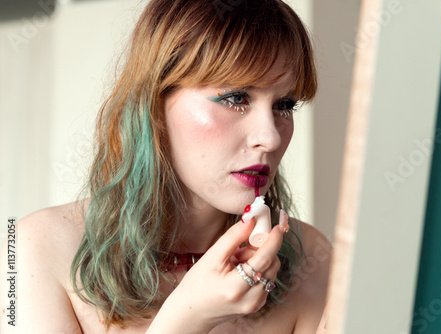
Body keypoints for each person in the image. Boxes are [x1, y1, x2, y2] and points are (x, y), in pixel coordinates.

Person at [0, 0, 332, 332]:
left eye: (284, 104)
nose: (270, 137)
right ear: (155, 103)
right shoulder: (33, 250)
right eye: (236, 98)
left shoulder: (312, 263)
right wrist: (189, 316)